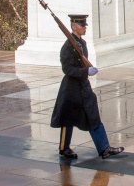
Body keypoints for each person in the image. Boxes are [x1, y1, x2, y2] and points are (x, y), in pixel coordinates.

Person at [50, 14, 124, 159]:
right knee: (67, 118)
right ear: (73, 27)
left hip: (83, 86)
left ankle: (104, 148)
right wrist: (86, 71)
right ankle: (64, 148)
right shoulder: (67, 47)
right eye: (82, 25)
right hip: (71, 88)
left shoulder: (81, 44)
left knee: (93, 115)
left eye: (85, 25)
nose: (85, 28)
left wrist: (87, 71)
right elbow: (67, 69)